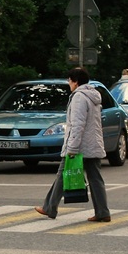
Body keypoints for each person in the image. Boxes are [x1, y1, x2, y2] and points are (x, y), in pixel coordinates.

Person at [35, 67, 111, 222]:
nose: (69, 84)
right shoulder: (93, 96)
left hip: (79, 146)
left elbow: (77, 124)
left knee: (62, 175)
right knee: (95, 179)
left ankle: (49, 207)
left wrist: (72, 148)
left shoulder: (79, 97)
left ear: (75, 82)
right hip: (93, 145)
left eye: (69, 81)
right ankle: (103, 212)